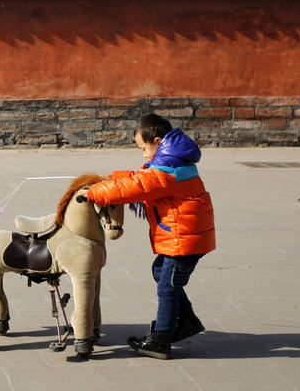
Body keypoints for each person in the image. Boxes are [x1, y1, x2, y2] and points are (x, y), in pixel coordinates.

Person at [86, 113, 216, 359]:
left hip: (184, 240)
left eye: (143, 148)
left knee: (167, 286)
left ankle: (161, 338)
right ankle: (185, 320)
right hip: (185, 235)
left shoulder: (168, 170)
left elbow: (138, 187)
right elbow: (141, 179)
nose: (143, 154)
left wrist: (96, 192)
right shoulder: (172, 160)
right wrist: (113, 178)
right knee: (162, 273)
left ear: (157, 141)